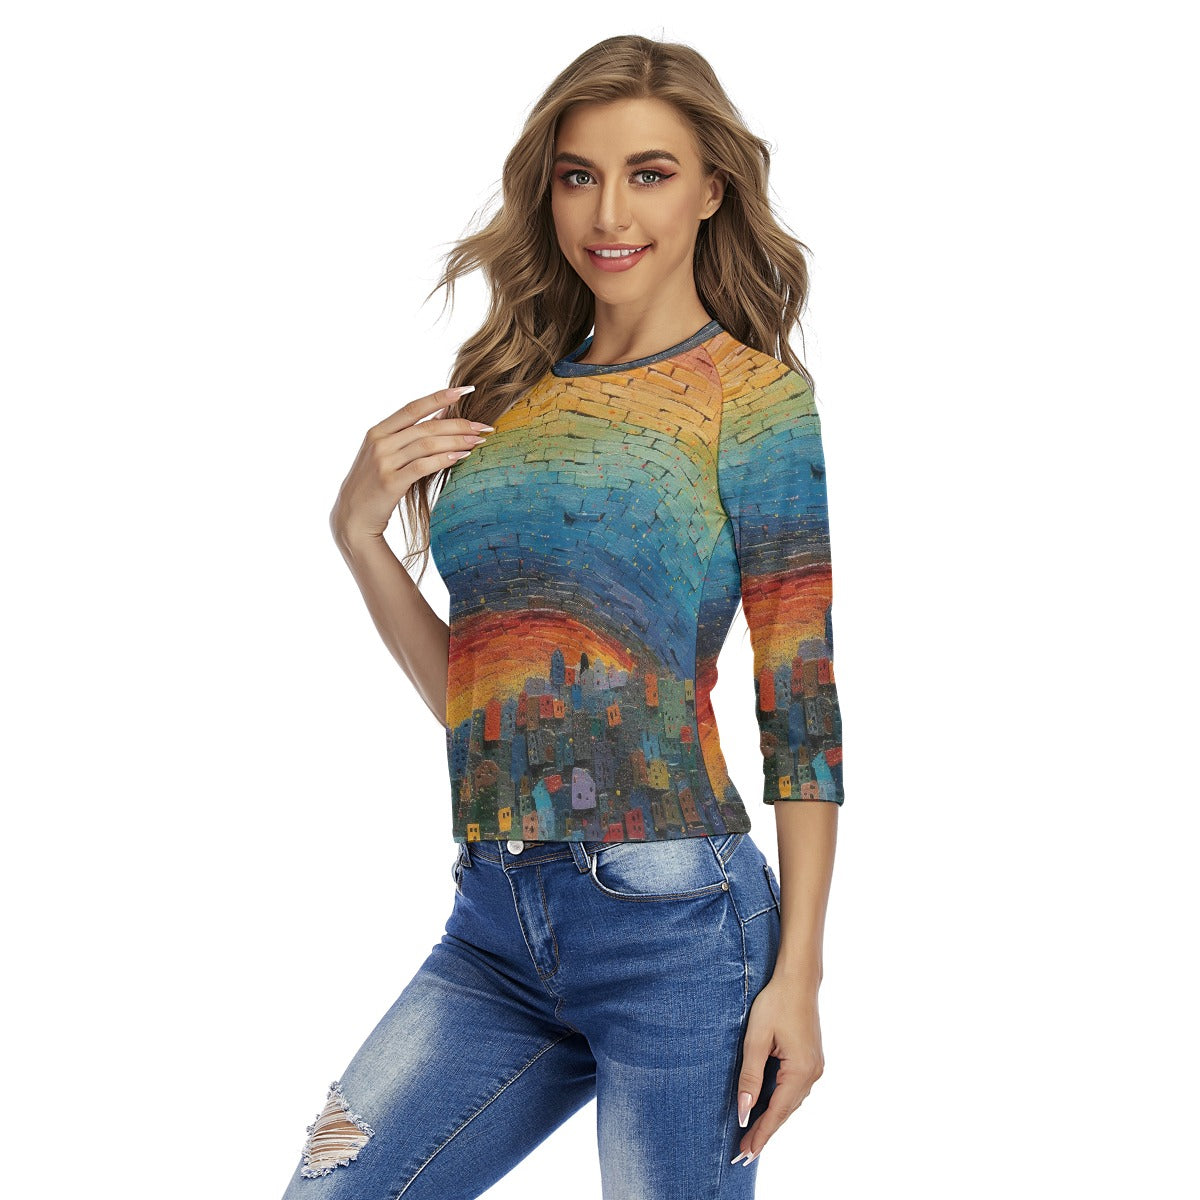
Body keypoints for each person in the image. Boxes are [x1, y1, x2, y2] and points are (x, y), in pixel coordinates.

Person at [279, 32, 843, 1200]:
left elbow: (801, 705)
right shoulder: (505, 399)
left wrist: (799, 977)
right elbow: (480, 699)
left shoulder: (755, 399)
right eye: (579, 174)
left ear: (710, 190)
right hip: (494, 922)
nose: (609, 212)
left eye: (650, 173)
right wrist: (357, 537)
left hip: (678, 923)